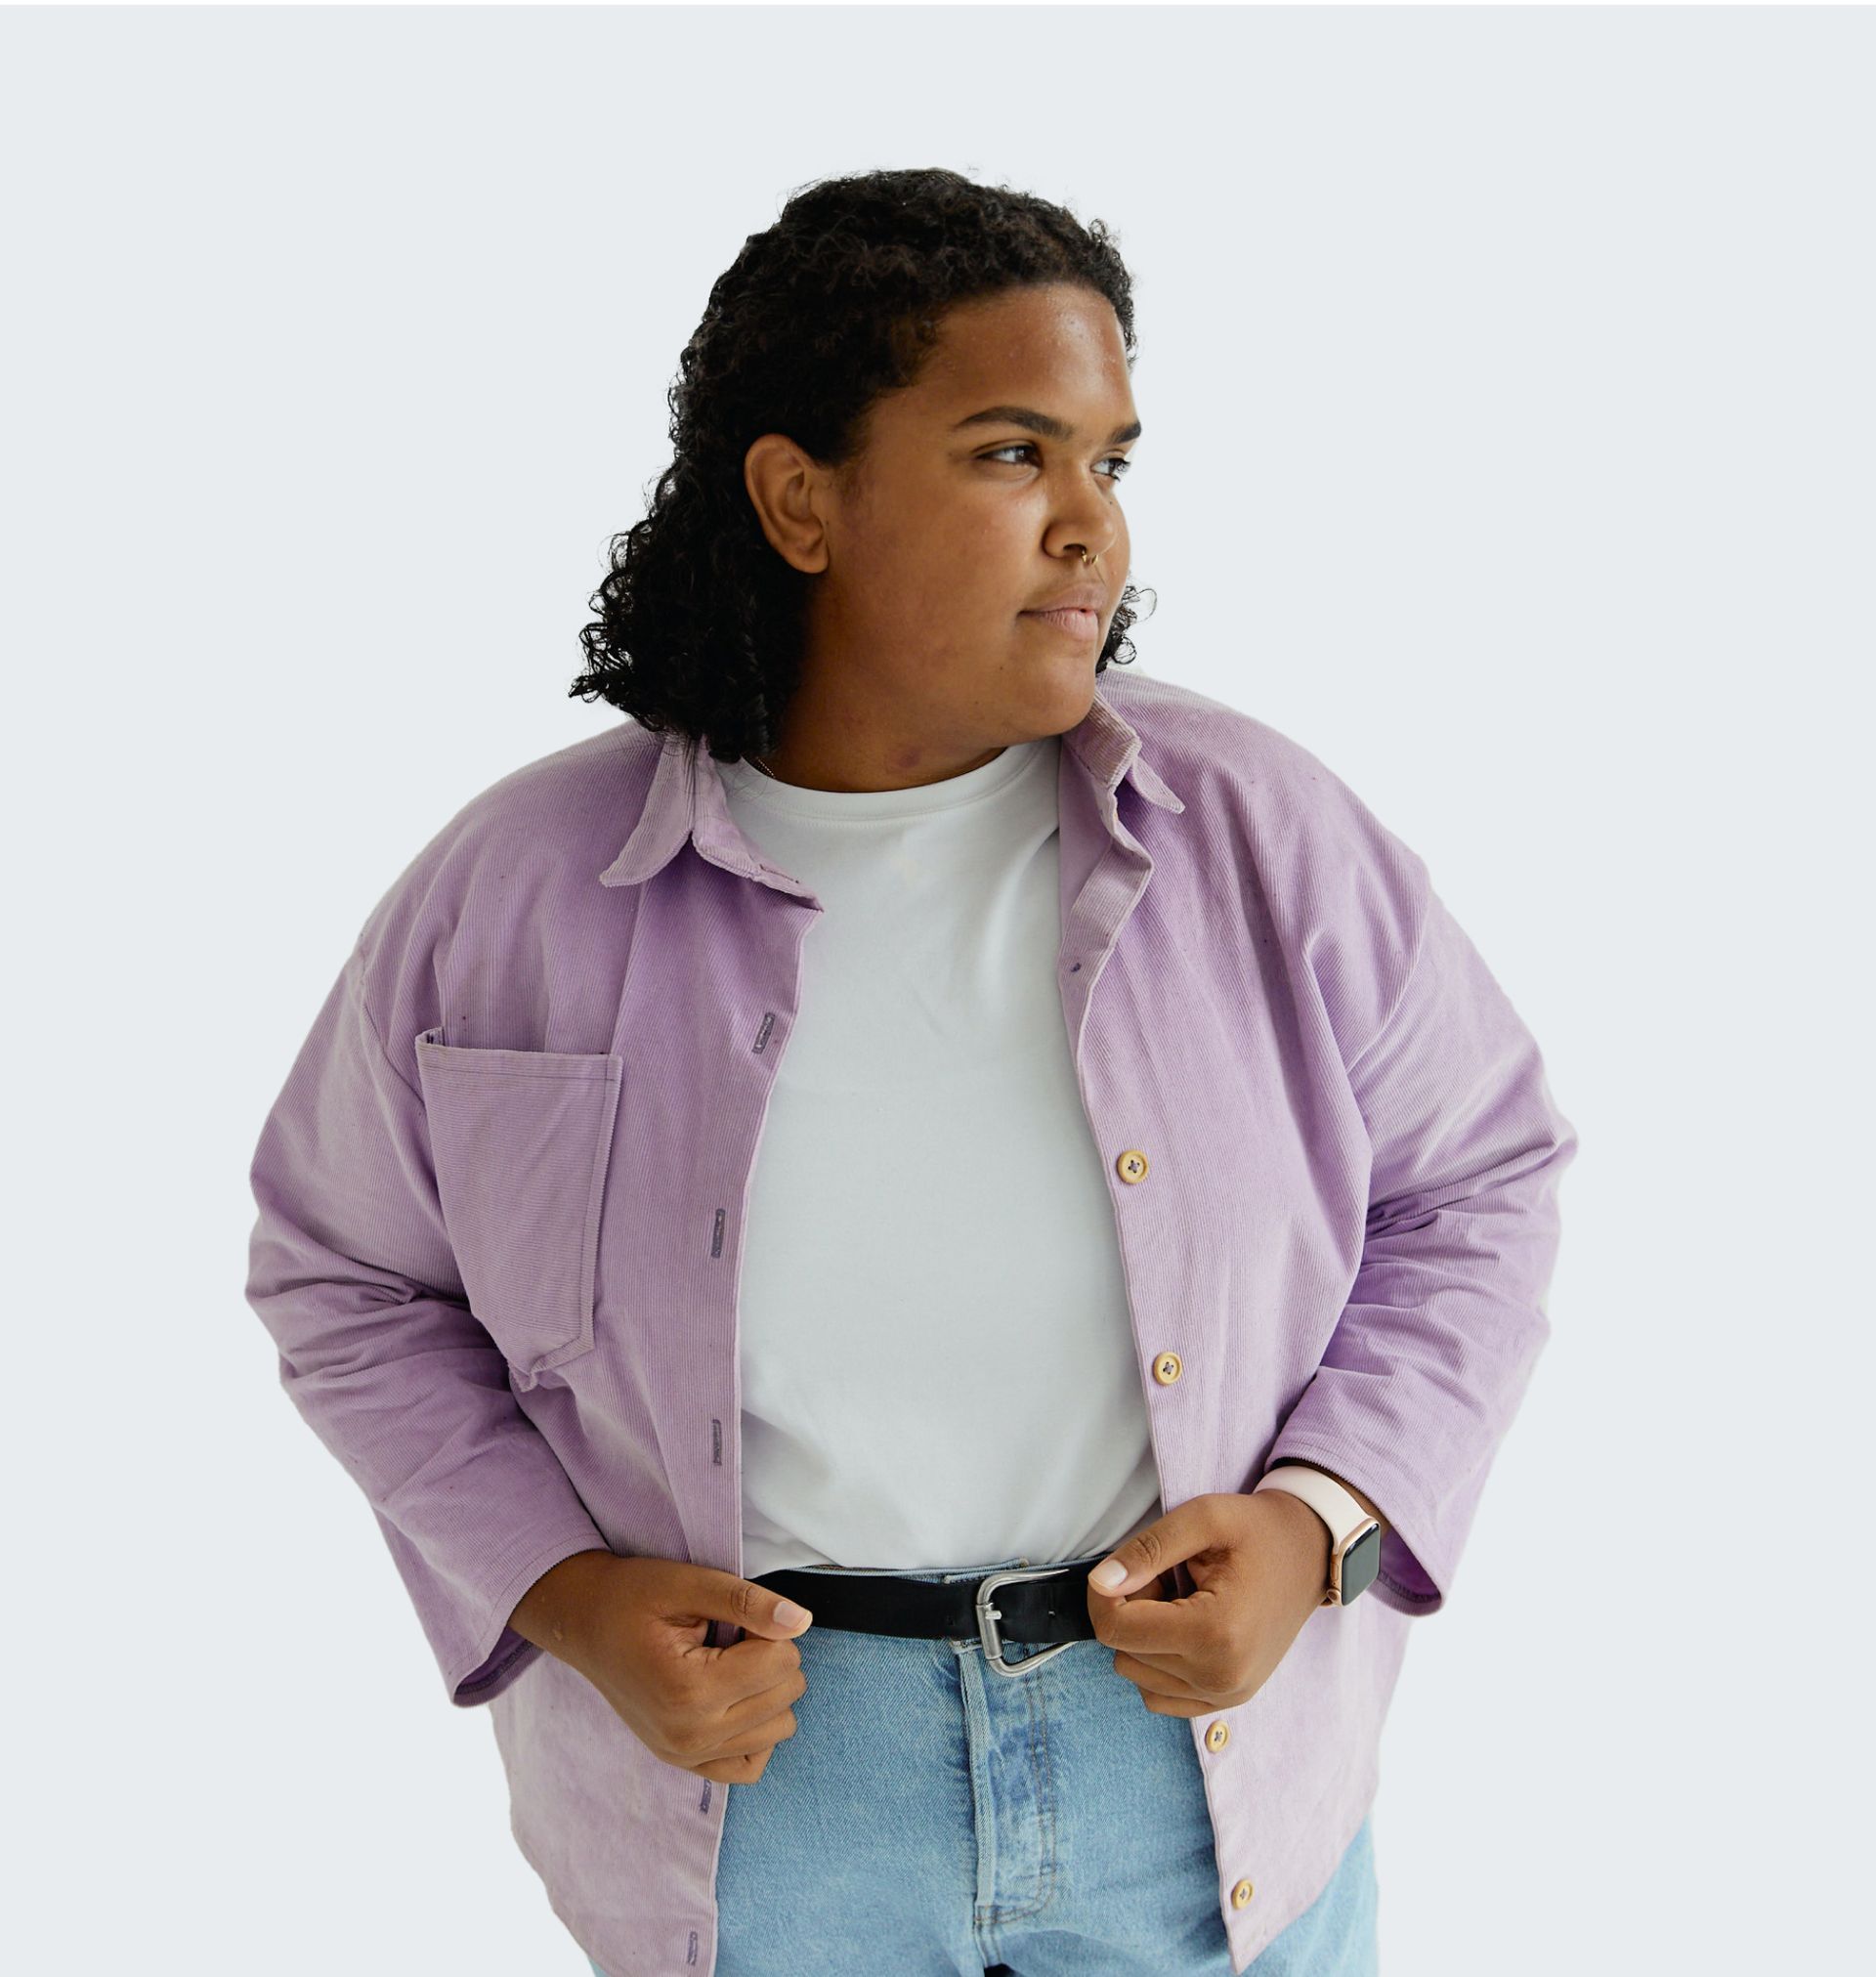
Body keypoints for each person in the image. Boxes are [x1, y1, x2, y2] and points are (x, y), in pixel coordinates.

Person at [244, 166, 1576, 1977]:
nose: (1091, 526)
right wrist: (566, 1596)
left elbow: (1480, 1182)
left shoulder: (1263, 833)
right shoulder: (519, 891)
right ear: (801, 499)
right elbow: (345, 1277)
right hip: (756, 1794)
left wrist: (1319, 1523)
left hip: (1198, 1766)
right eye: (1012, 453)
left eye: (1110, 461)